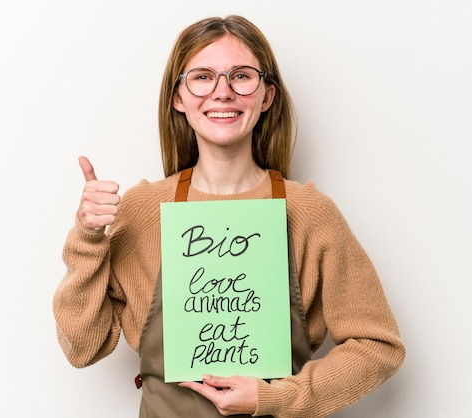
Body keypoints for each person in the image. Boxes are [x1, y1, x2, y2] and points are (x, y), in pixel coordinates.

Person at [53, 15, 405, 417]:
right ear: (178, 98)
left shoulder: (308, 212)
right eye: (202, 77)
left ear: (267, 96)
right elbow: (82, 348)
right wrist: (87, 237)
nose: (223, 93)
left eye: (241, 76)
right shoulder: (143, 210)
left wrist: (273, 398)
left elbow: (379, 347)